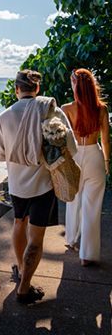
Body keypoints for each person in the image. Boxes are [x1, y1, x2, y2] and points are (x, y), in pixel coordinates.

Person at [0, 69, 76, 304]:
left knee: (19, 223)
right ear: (37, 89)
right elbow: (71, 145)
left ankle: (20, 270)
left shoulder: (3, 117)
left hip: (17, 184)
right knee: (36, 239)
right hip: (43, 185)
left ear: (17, 90)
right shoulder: (51, 110)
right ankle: (24, 287)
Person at [62, 68, 110, 266]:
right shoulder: (102, 109)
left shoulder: (66, 109)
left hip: (75, 157)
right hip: (94, 155)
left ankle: (71, 239)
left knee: (73, 200)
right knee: (92, 208)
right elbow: (106, 140)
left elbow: (62, 141)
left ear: (75, 85)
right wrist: (107, 163)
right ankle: (88, 255)